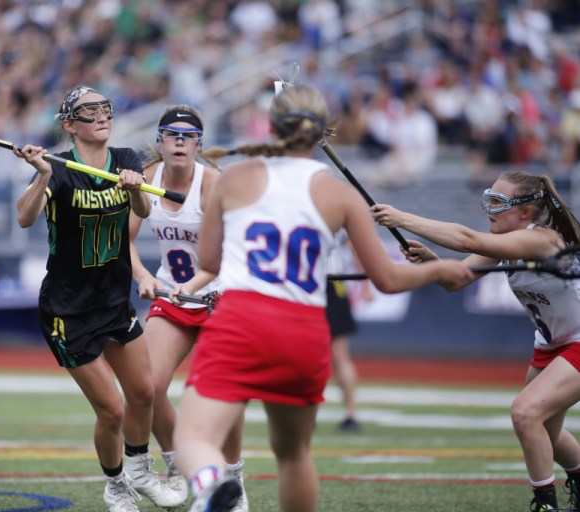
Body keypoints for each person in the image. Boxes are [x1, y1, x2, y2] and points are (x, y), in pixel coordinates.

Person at [172, 83, 474, 512]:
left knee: (195, 437)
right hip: (304, 330)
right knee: (294, 454)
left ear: (272, 125)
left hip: (242, 320)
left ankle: (210, 486)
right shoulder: (339, 193)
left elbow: (208, 259)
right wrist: (440, 269)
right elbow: (386, 278)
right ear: (321, 133)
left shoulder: (235, 177)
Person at [14, 85, 185, 512]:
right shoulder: (58, 167)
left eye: (106, 109)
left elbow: (143, 212)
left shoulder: (126, 159)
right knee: (111, 410)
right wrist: (42, 176)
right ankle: (116, 486)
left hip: (114, 300)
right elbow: (23, 218)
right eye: (90, 112)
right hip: (68, 308)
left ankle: (141, 469)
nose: (103, 117)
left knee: (144, 393)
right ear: (70, 125)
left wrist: (134, 188)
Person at [371, 171, 580, 512]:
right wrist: (434, 264)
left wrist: (403, 218)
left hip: (578, 342)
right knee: (548, 432)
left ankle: (546, 507)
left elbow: (469, 239)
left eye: (497, 202)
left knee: (526, 415)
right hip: (549, 343)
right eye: (488, 198)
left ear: (525, 212)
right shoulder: (506, 242)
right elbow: (456, 282)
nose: (488, 209)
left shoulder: (540, 240)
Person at [129, 104, 249, 511]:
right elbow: (125, 240)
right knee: (148, 386)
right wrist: (144, 276)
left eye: (189, 135)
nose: (179, 142)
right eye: (171, 134)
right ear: (160, 140)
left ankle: (233, 477)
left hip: (218, 294)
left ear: (199, 143)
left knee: (224, 393)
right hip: (173, 294)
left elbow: (227, 255)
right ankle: (179, 460)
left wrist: (194, 286)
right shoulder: (146, 178)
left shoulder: (213, 184)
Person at [326, 230, 369, 433]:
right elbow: (355, 246)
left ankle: (350, 413)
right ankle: (350, 414)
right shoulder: (336, 202)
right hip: (332, 284)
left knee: (337, 355)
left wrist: (366, 283)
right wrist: (366, 284)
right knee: (339, 356)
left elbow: (354, 246)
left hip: (314, 284)